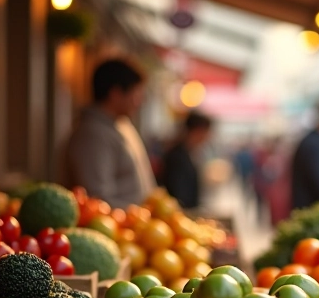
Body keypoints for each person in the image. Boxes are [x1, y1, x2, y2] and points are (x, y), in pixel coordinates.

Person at [67, 58, 157, 209]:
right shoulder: (92, 134)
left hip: (136, 226)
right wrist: (141, 215)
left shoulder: (121, 125)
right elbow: (98, 198)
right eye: (137, 93)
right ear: (115, 94)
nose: (140, 101)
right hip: (114, 228)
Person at [160, 111, 213, 209]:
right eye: (206, 132)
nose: (208, 137)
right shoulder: (177, 157)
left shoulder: (186, 153)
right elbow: (178, 194)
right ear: (198, 131)